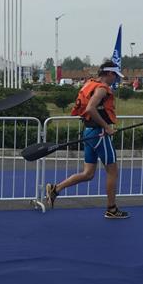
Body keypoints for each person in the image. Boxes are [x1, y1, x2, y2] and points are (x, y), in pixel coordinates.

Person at [45, 61, 129, 219]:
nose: (116, 79)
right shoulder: (102, 89)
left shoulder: (90, 84)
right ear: (109, 74)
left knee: (88, 173)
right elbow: (90, 108)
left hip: (89, 132)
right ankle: (111, 209)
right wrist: (107, 127)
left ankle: (56, 189)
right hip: (99, 134)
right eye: (115, 76)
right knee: (112, 172)